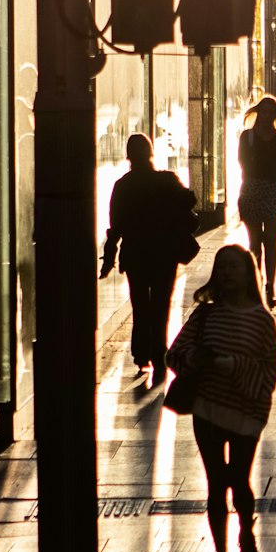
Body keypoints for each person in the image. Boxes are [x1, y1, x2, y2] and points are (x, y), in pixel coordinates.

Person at [166, 245, 276, 552]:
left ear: (249, 273)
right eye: (223, 267)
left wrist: (234, 366)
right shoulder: (205, 315)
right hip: (208, 410)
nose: (229, 273)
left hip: (247, 411)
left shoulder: (261, 320)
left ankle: (246, 529)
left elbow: (270, 366)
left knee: (239, 480)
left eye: (235, 267)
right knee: (217, 484)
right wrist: (193, 360)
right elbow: (175, 353)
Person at [100, 133, 199, 385]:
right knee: (161, 305)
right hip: (164, 253)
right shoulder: (166, 180)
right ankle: (159, 354)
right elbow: (190, 200)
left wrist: (108, 259)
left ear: (129, 156)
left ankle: (141, 354)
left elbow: (116, 226)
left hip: (136, 255)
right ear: (151, 152)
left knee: (141, 305)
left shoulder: (123, 186)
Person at [237, 96, 276, 309]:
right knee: (254, 241)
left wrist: (260, 161)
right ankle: (255, 283)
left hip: (273, 192)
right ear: (258, 113)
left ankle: (270, 285)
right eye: (264, 112)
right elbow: (244, 162)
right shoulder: (247, 136)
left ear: (275, 115)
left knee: (270, 240)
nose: (267, 116)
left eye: (271, 112)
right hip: (251, 192)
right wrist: (270, 162)